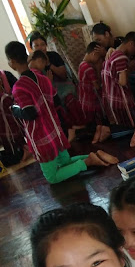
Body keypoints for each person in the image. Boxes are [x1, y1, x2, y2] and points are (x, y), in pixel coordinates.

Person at [5, 41, 117, 183]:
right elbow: (56, 101)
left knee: (52, 177)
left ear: (12, 62)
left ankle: (87, 161)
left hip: (42, 137)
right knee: (65, 163)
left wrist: (14, 109)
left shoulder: (19, 87)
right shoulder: (43, 78)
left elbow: (29, 114)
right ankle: (94, 156)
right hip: (56, 131)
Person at [29, 31, 86, 139]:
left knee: (69, 97)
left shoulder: (53, 56)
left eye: (42, 44)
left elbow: (64, 75)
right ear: (32, 48)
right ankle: (67, 130)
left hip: (62, 85)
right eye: (36, 45)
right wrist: (48, 83)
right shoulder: (31, 62)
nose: (40, 48)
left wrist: (49, 65)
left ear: (46, 45)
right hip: (46, 90)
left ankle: (80, 126)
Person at [101, 32, 135, 147]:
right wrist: (129, 69)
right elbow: (123, 81)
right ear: (131, 44)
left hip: (110, 96)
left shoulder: (113, 53)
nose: (134, 52)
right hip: (121, 98)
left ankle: (108, 130)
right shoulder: (121, 57)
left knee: (125, 124)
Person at [78, 42, 109, 143]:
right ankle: (99, 134)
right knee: (98, 123)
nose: (99, 60)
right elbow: (97, 86)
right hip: (91, 102)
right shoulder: (89, 68)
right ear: (94, 54)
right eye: (99, 58)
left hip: (84, 100)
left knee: (93, 124)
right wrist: (98, 69)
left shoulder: (81, 65)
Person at [0, 69, 28, 165]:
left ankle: (24, 147)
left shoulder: (6, 76)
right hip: (6, 131)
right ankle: (23, 148)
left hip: (13, 123)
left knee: (13, 158)